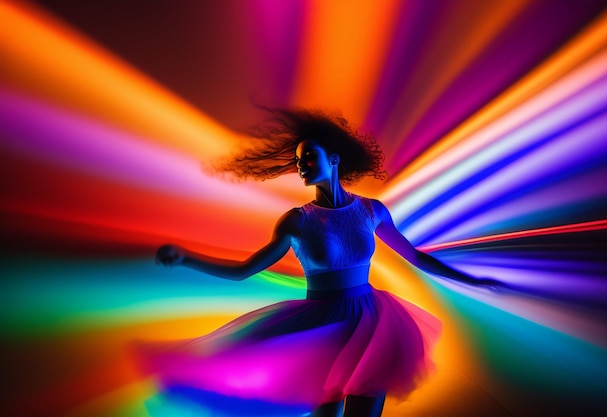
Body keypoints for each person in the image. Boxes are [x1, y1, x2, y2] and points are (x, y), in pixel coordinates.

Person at [149, 108, 502, 417]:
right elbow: (243, 271)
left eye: (308, 157)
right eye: (299, 160)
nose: (301, 165)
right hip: (320, 330)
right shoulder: (297, 221)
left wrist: (471, 280)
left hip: (371, 325)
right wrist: (186, 259)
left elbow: (414, 256)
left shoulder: (371, 211)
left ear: (333, 159)